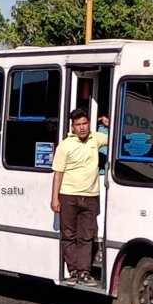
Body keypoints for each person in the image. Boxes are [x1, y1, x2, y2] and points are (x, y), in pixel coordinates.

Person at [51, 108, 108, 287]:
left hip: (90, 196)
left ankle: (84, 272)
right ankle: (73, 271)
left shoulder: (96, 138)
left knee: (86, 236)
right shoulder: (65, 146)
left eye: (85, 124)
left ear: (89, 124)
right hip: (68, 196)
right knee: (69, 235)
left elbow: (118, 137)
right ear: (72, 127)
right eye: (78, 125)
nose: (82, 128)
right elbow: (58, 173)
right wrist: (55, 198)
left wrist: (108, 124)